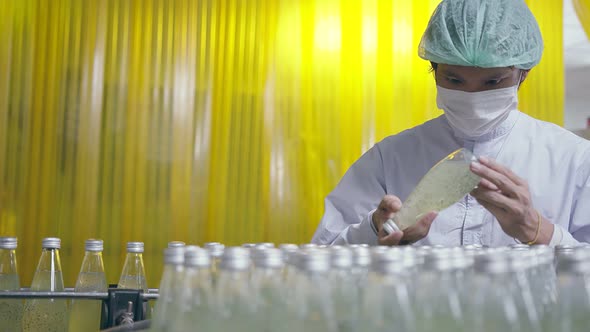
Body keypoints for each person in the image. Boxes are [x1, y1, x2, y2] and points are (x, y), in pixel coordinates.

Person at [311, 0, 590, 247]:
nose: (472, 96)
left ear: (523, 73)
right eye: (454, 80)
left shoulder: (574, 161)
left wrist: (539, 231)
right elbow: (324, 255)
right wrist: (374, 229)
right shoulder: (390, 159)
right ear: (433, 70)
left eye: (493, 81)